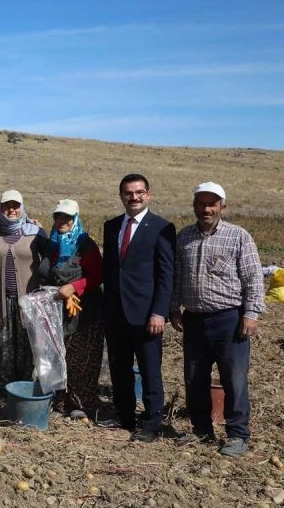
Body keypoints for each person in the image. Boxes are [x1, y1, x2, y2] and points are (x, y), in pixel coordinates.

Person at [170, 182, 265, 457]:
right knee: (194, 377)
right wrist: (174, 307)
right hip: (195, 320)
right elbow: (177, 276)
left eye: (212, 204)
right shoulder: (184, 237)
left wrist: (251, 314)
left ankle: (237, 434)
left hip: (229, 319)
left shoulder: (238, 237)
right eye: (201, 203)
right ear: (194, 206)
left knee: (234, 378)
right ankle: (202, 429)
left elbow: (253, 278)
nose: (206, 209)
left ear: (222, 206)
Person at [101, 174, 175, 442]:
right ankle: (124, 415)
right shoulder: (111, 227)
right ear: (121, 196)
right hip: (116, 311)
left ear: (148, 194)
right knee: (119, 366)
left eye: (139, 192)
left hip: (146, 314)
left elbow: (166, 275)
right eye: (128, 193)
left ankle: (152, 422)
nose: (134, 197)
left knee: (149, 369)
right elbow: (111, 271)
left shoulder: (161, 227)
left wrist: (160, 311)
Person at [38, 199, 104, 419]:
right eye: (58, 216)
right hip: (58, 308)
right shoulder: (53, 243)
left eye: (67, 217)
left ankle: (79, 404)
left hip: (84, 309)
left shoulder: (85, 244)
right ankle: (58, 401)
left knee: (80, 356)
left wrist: (74, 287)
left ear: (76, 219)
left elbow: (98, 275)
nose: (62, 221)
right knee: (58, 354)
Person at [0, 190, 46, 389]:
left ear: (22, 208)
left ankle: (25, 387)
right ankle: (4, 389)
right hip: (1, 299)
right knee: (3, 345)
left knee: (26, 345)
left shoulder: (35, 232)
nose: (11, 210)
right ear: (0, 208)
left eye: (15, 205)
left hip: (28, 300)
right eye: (7, 206)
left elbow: (49, 259)